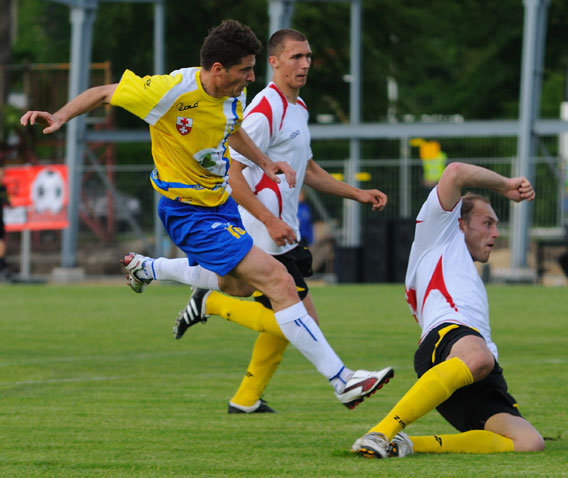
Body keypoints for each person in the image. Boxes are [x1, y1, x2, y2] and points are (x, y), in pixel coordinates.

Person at [20, 20, 392, 411]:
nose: (251, 77)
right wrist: (61, 117)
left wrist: (265, 163)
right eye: (245, 69)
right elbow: (102, 93)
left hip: (221, 205)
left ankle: (149, 269)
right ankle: (342, 381)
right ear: (217, 69)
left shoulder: (236, 96)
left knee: (239, 289)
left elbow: (232, 131)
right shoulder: (171, 90)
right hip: (186, 211)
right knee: (279, 282)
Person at [168, 28, 390, 414]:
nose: (304, 64)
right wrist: (268, 222)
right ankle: (211, 306)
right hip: (262, 232)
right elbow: (231, 173)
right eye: (295, 57)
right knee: (300, 318)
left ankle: (245, 399)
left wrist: (356, 193)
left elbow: (308, 169)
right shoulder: (264, 108)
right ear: (273, 62)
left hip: (283, 230)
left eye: (308, 57)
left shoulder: (298, 109)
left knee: (289, 315)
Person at [352, 162, 545, 458]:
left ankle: (405, 444)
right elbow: (455, 171)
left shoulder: (463, 268)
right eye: (487, 223)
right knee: (479, 356)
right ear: (459, 223)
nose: (495, 232)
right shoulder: (439, 234)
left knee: (528, 441)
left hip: (475, 362)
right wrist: (505, 185)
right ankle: (380, 431)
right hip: (451, 342)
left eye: (496, 225)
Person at [0, 164, 11, 281]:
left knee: (1, 243)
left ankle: (2, 268)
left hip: (0, 220)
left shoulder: (3, 189)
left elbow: (8, 203)